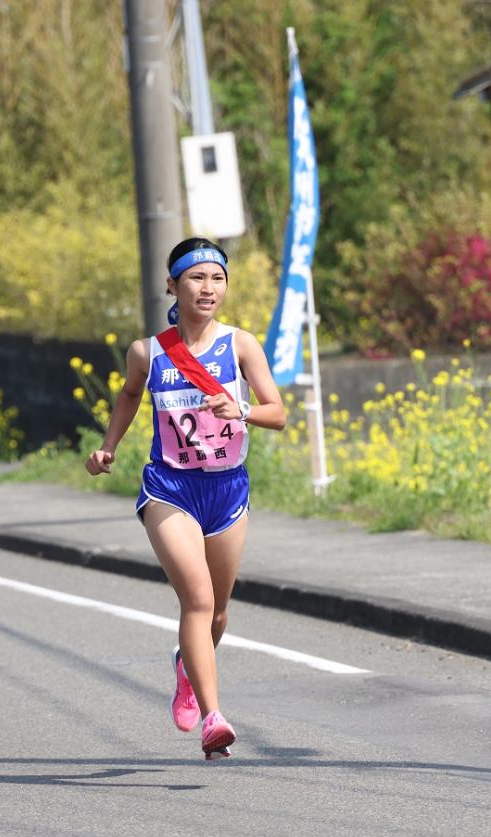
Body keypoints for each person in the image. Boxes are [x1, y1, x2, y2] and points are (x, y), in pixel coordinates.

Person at [85, 237, 287, 759]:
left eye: (217, 278)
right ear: (172, 285)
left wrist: (239, 411)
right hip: (169, 488)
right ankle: (214, 717)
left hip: (226, 488)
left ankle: (185, 669)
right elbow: (131, 393)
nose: (208, 288)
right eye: (197, 277)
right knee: (196, 600)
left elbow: (278, 413)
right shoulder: (147, 352)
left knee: (218, 613)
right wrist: (109, 447)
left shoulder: (241, 345)